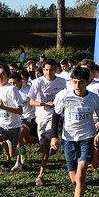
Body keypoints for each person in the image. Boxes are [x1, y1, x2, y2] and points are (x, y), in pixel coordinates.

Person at [50, 67, 99, 197]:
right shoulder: (63, 96)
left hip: (87, 138)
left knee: (81, 176)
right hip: (69, 140)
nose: (77, 85)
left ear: (87, 82)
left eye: (80, 82)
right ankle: (94, 156)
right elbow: (56, 116)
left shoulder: (94, 99)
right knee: (74, 180)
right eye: (74, 82)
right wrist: (54, 136)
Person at [28, 58, 67, 186]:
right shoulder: (37, 82)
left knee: (50, 141)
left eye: (51, 70)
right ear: (43, 70)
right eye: (46, 70)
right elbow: (30, 101)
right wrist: (44, 104)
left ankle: (40, 174)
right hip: (41, 118)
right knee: (44, 147)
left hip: (55, 116)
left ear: (56, 69)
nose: (48, 72)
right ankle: (42, 171)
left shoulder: (62, 82)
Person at [0, 65, 24, 187]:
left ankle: (22, 152)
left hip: (13, 126)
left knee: (13, 154)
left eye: (2, 74)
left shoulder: (12, 90)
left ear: (7, 76)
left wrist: (4, 107)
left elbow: (20, 111)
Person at [10, 70, 35, 172]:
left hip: (28, 118)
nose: (13, 85)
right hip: (15, 119)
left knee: (19, 136)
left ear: (21, 81)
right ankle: (24, 152)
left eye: (15, 83)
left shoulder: (29, 90)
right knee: (25, 140)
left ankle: (18, 162)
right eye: (11, 83)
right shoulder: (9, 91)